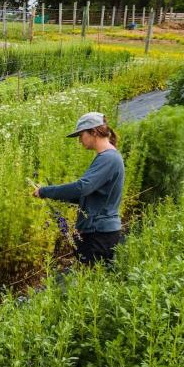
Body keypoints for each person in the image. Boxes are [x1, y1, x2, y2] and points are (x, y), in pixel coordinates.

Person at [33, 112, 125, 266]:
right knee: (94, 280)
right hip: (99, 232)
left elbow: (82, 187)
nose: (79, 141)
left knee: (94, 282)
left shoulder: (108, 158)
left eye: (81, 135)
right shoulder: (107, 157)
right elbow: (87, 194)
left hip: (99, 234)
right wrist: (52, 195)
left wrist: (45, 191)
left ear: (93, 132)